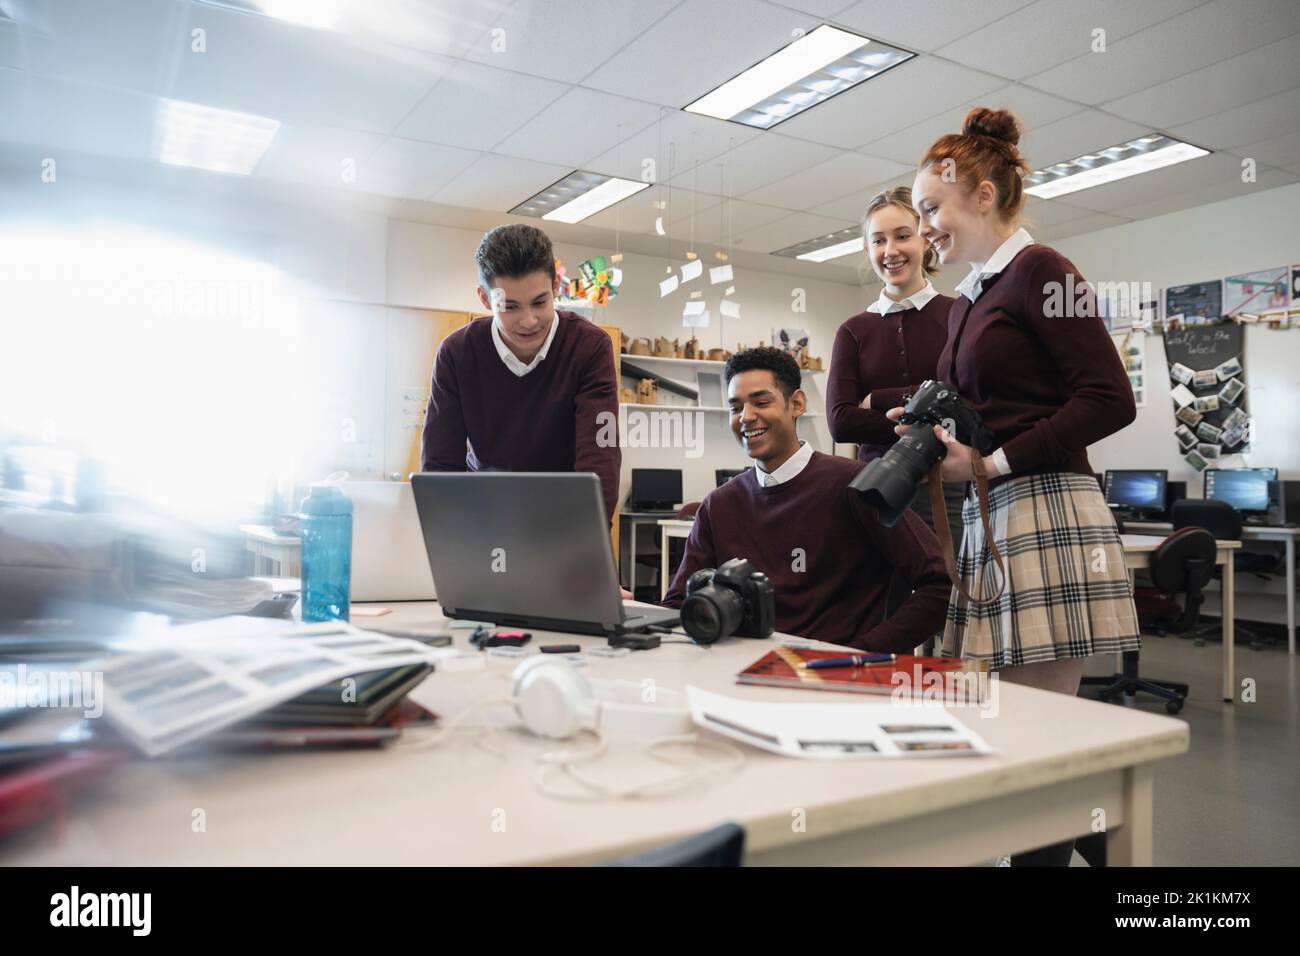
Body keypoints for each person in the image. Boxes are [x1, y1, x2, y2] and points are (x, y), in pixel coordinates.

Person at [899, 106, 1140, 866]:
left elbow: (1109, 397)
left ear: (981, 193)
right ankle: (1085, 837)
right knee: (998, 725)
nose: (924, 227)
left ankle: (1079, 841)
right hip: (990, 511)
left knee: (1036, 733)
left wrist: (994, 462)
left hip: (1043, 507)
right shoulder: (971, 296)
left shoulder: (1041, 271)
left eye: (931, 209)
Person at [663, 347, 950, 652]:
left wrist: (861, 655)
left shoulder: (857, 485)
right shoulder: (718, 506)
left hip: (834, 684)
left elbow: (938, 586)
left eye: (761, 402)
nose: (746, 417)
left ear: (796, 404)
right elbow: (677, 605)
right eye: (735, 407)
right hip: (742, 679)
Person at [419, 223, 620, 522]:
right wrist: (453, 535)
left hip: (569, 519)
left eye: (540, 302)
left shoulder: (589, 347)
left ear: (555, 287)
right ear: (485, 299)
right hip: (486, 518)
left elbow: (600, 457)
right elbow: (440, 466)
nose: (528, 321)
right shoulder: (457, 354)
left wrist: (583, 537)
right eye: (510, 306)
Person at [827, 185, 966, 602]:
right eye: (879, 240)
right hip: (878, 490)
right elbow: (841, 420)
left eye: (902, 235)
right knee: (883, 609)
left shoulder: (960, 313)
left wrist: (883, 399)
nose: (891, 250)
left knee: (950, 612)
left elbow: (966, 400)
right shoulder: (853, 330)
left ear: (925, 237)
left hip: (951, 488)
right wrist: (925, 408)